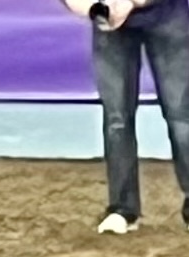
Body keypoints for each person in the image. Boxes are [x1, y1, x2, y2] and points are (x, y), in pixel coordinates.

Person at [59, 0, 189, 234]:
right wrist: (94, 8)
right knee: (116, 118)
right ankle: (122, 209)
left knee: (181, 115)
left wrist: (131, 2)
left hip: (168, 15)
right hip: (111, 21)